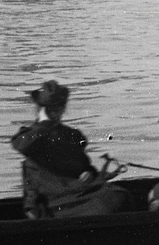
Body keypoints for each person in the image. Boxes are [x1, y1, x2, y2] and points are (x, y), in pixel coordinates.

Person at [10, 80, 127, 218]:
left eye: (60, 108)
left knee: (119, 196)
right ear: (41, 110)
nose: (57, 113)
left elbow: (85, 167)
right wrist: (44, 123)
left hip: (77, 192)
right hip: (53, 200)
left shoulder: (71, 135)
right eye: (52, 109)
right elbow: (21, 145)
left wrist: (88, 173)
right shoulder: (30, 136)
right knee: (109, 203)